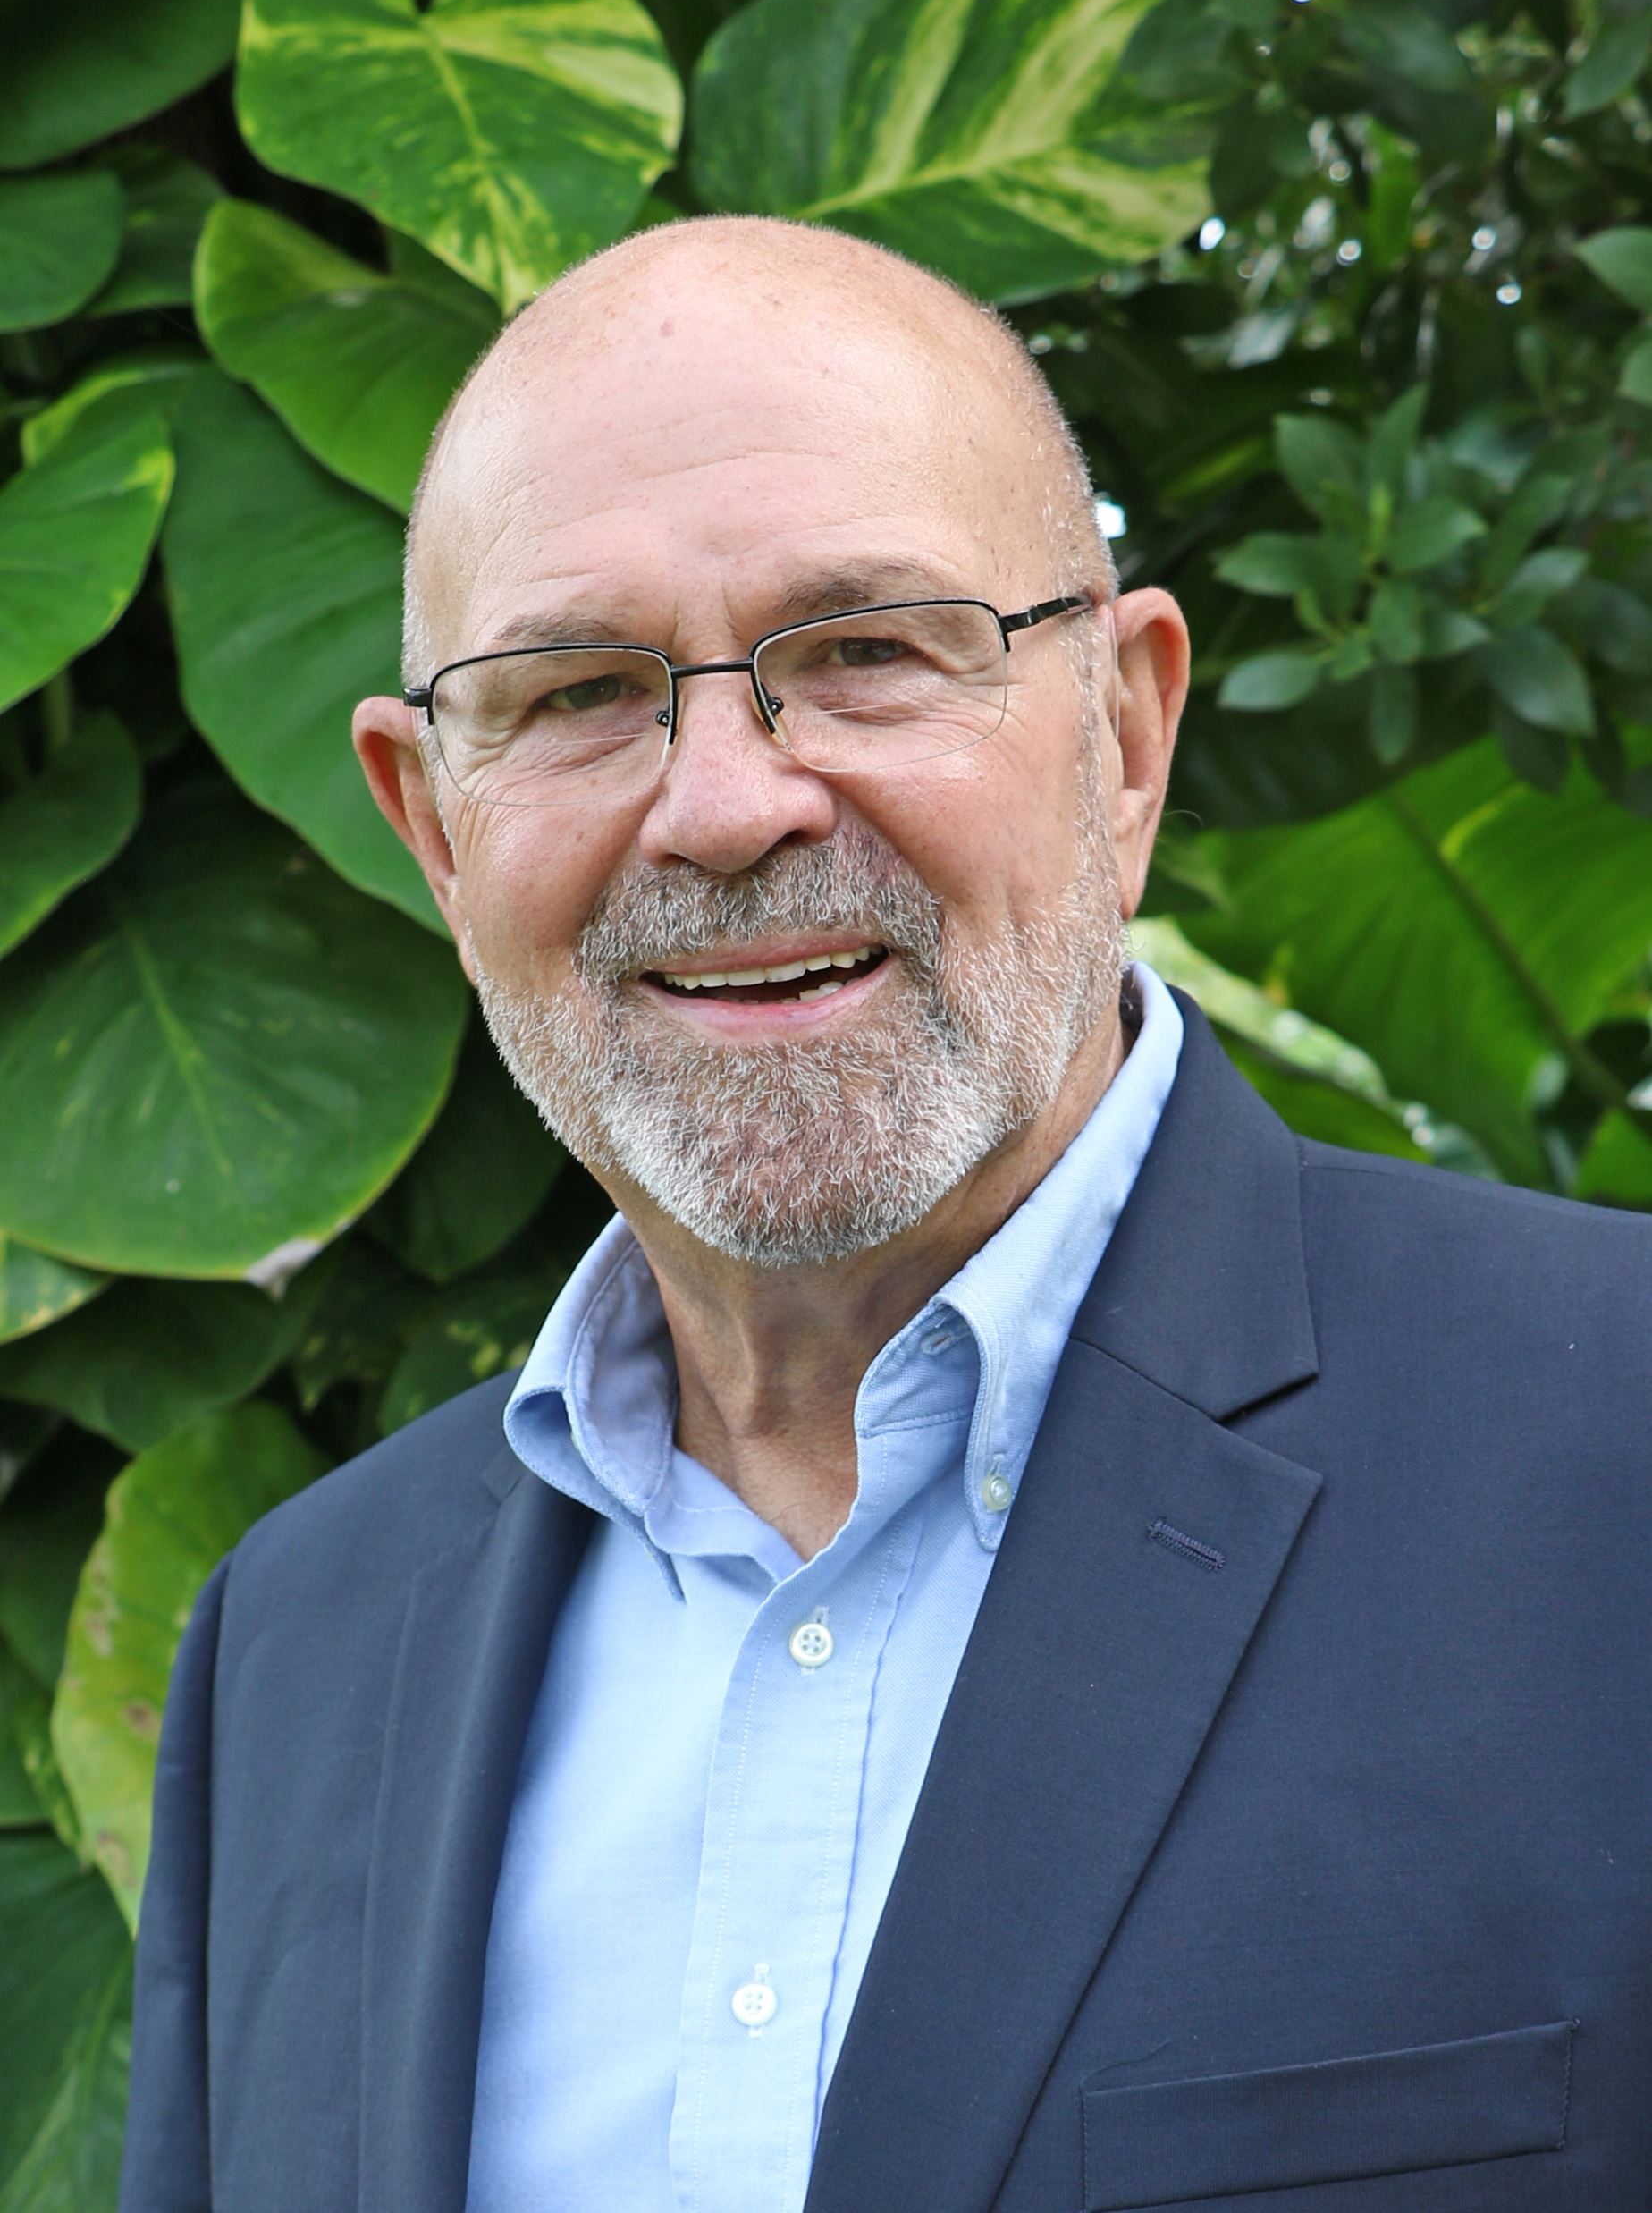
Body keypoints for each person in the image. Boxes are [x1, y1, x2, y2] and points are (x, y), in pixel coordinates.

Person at [120, 217, 1652, 2213]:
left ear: (1124, 735)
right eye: (579, 689)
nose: (729, 802)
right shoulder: (298, 1651)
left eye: (862, 652)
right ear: (432, 825)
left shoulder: (1609, 1458)